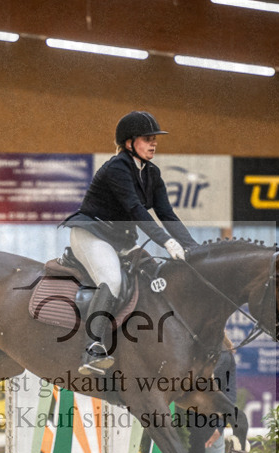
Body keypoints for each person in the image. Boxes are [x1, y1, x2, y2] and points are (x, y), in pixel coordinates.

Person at [64, 111, 199, 376]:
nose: (154, 143)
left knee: (154, 277)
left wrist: (193, 247)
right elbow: (136, 210)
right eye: (147, 139)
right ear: (129, 143)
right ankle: (92, 348)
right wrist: (166, 242)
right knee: (112, 281)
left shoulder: (152, 173)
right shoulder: (117, 168)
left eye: (154, 139)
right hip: (92, 235)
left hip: (121, 241)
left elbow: (167, 215)